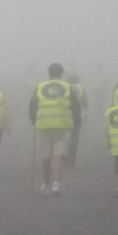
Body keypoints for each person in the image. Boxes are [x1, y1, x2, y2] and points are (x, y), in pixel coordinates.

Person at [29, 63, 82, 196]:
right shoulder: (68, 87)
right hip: (63, 125)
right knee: (59, 155)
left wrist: (35, 121)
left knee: (46, 156)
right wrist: (76, 124)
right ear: (61, 73)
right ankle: (56, 184)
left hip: (44, 125)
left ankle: (45, 183)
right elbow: (76, 108)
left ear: (48, 72)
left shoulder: (39, 87)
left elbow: (33, 107)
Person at [66, 72, 88, 168]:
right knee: (75, 138)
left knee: (64, 138)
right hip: (77, 115)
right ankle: (72, 161)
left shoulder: (64, 87)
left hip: (65, 114)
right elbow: (86, 104)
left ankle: (64, 157)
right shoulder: (81, 88)